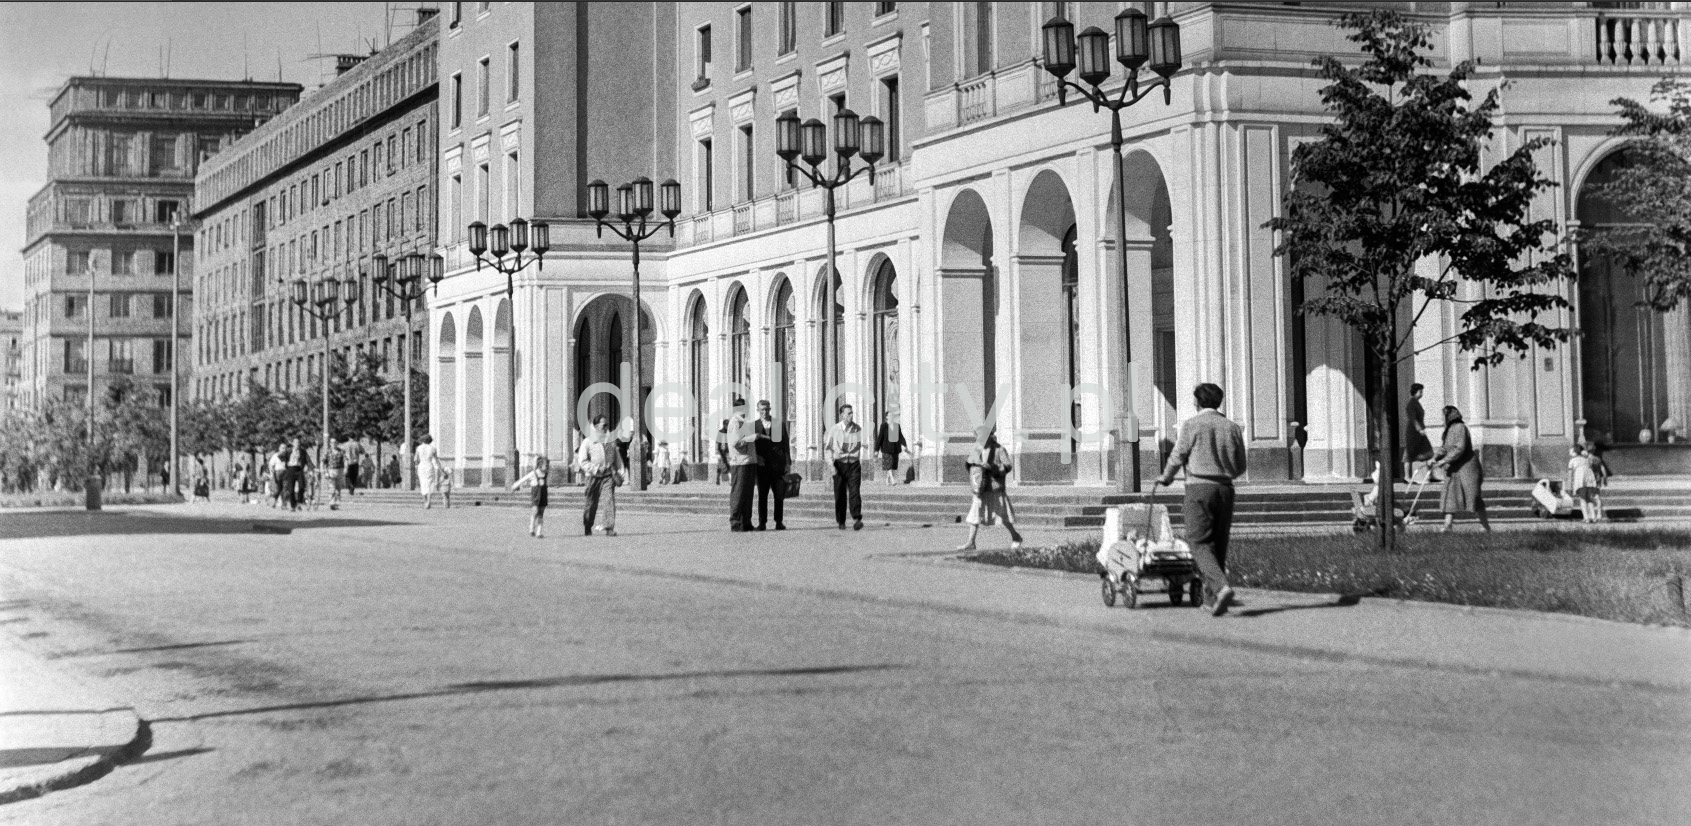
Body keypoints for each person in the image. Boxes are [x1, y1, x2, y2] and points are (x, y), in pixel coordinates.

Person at [1157, 382, 1248, 617]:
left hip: (1199, 488)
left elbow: (1178, 455)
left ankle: (1221, 586)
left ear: (1197, 402)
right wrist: (1225, 473)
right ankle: (1211, 598)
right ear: (1219, 401)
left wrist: (1166, 478)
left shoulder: (1192, 425)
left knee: (1198, 542)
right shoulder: (1232, 427)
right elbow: (1240, 465)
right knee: (1218, 543)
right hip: (1225, 489)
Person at [956, 426, 1023, 551]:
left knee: (1003, 516)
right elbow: (970, 465)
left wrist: (992, 468)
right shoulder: (977, 450)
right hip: (980, 488)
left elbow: (1007, 466)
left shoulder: (999, 449)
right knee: (975, 514)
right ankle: (971, 542)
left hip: (995, 487)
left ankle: (1016, 536)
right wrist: (974, 465)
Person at [1431, 405, 1491, 533]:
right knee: (1450, 496)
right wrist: (1434, 458)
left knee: (1473, 498)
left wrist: (1444, 460)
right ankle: (1448, 525)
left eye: (1444, 415)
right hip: (1454, 468)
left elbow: (1459, 448)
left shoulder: (1460, 428)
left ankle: (1486, 526)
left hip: (1467, 468)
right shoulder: (1450, 429)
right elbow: (1445, 447)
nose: (1443, 419)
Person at [577, 414, 623, 536]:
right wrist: (595, 469)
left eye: (607, 425)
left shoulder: (611, 441)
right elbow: (582, 461)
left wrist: (620, 471)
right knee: (591, 503)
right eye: (604, 425)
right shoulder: (588, 441)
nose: (606, 427)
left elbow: (617, 458)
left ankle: (609, 528)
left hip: (608, 476)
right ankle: (588, 524)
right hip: (593, 477)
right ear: (596, 427)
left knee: (609, 500)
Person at [823, 403, 865, 530]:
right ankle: (841, 520)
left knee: (854, 491)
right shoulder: (834, 429)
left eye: (852, 413)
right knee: (840, 494)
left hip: (853, 465)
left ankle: (857, 518)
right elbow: (828, 449)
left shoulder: (857, 428)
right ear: (842, 415)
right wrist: (832, 466)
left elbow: (858, 445)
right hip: (839, 465)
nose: (851, 415)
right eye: (848, 413)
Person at [753, 400, 789, 531]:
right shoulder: (754, 425)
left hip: (778, 466)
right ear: (758, 410)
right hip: (762, 466)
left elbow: (785, 445)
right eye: (762, 410)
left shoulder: (779, 424)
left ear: (770, 409)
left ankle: (779, 522)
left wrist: (787, 463)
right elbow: (752, 447)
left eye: (767, 409)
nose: (764, 412)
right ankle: (762, 522)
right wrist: (756, 459)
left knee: (779, 495)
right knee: (762, 495)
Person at [726, 405, 760, 531]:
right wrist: (751, 438)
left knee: (748, 494)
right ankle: (735, 523)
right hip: (739, 463)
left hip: (749, 461)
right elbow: (736, 443)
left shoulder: (744, 423)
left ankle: (746, 522)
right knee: (739, 493)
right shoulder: (735, 423)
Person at [510, 455, 551, 538]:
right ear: (540, 465)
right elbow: (523, 480)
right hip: (535, 497)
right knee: (535, 512)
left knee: (541, 514)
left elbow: (546, 484)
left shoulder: (546, 474)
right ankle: (531, 528)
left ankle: (539, 532)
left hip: (543, 496)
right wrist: (514, 486)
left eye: (548, 466)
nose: (547, 467)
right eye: (546, 466)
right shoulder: (533, 473)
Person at [1403, 383, 1435, 481]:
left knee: (1428, 451)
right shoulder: (1412, 403)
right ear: (1415, 392)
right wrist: (1419, 429)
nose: (1422, 394)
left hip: (1418, 431)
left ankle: (1430, 474)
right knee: (1409, 453)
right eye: (1420, 392)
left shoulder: (1415, 402)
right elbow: (1413, 418)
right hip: (1413, 432)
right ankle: (1407, 476)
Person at [875, 412, 908, 485]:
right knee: (888, 464)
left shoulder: (897, 425)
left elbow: (900, 436)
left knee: (892, 465)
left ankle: (887, 479)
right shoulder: (884, 426)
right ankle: (892, 479)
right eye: (889, 415)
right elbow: (880, 437)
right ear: (886, 417)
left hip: (895, 448)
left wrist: (905, 444)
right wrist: (876, 449)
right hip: (886, 448)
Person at [282, 438, 311, 511]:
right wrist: (286, 464)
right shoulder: (288, 451)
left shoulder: (302, 452)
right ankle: (293, 505)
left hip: (299, 470)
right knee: (291, 490)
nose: (297, 444)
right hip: (291, 470)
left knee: (302, 487)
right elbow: (282, 458)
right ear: (293, 443)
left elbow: (308, 461)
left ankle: (299, 502)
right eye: (295, 443)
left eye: (298, 443)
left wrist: (312, 468)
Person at [415, 435, 443, 509]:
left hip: (421, 467)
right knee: (430, 484)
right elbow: (436, 460)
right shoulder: (433, 448)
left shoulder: (418, 448)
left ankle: (425, 501)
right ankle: (429, 501)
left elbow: (416, 459)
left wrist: (416, 467)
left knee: (422, 483)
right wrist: (441, 469)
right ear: (430, 440)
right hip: (429, 466)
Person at [323, 439, 347, 507]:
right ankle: (332, 502)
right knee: (332, 488)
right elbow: (323, 462)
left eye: (335, 443)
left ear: (337, 443)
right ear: (330, 444)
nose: (334, 444)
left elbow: (345, 460)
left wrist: (346, 468)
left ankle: (337, 501)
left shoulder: (341, 451)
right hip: (331, 471)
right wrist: (325, 472)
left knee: (338, 488)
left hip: (340, 470)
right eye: (332, 443)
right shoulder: (328, 452)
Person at [267, 443, 287, 508]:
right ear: (279, 448)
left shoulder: (287, 456)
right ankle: (272, 503)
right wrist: (272, 472)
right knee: (277, 490)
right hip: (277, 473)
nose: (284, 450)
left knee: (284, 489)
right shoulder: (275, 456)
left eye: (285, 448)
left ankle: (284, 505)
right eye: (282, 448)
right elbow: (271, 465)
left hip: (285, 473)